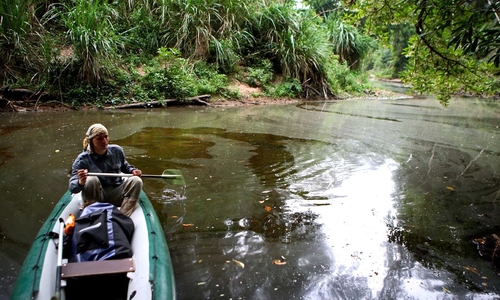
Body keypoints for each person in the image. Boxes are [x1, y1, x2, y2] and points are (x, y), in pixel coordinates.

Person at [69, 123, 143, 217]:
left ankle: (122, 217)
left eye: (106, 137)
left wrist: (133, 171)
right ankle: (93, 216)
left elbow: (124, 165)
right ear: (91, 141)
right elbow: (72, 188)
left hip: (116, 193)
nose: (104, 141)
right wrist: (81, 182)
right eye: (99, 138)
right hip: (97, 196)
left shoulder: (117, 150)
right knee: (91, 179)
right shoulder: (82, 159)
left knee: (137, 181)